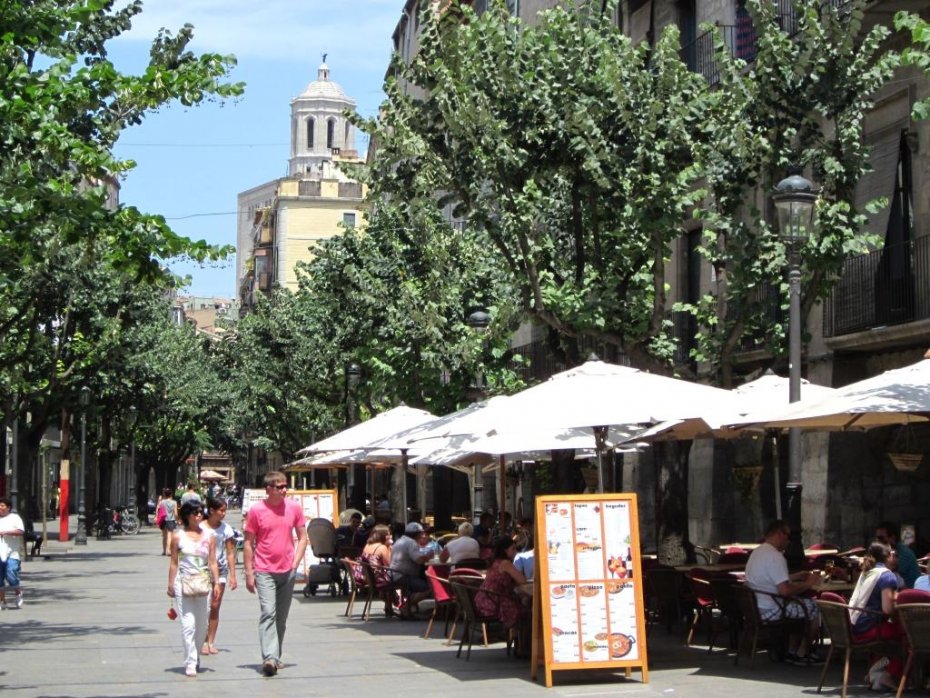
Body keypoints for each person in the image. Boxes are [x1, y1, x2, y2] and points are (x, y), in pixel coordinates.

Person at [243, 471, 307, 677]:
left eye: (285, 486)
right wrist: (249, 573)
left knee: (281, 617)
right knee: (268, 613)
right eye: (280, 487)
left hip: (287, 569)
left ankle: (276, 656)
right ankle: (269, 658)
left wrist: (296, 563)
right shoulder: (256, 511)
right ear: (268, 489)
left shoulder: (294, 507)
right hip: (264, 570)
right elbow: (248, 543)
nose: (284, 490)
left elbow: (303, 537)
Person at [744, 519, 822, 665]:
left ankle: (792, 651)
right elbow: (785, 591)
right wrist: (808, 584)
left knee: (798, 604)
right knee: (814, 607)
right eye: (788, 535)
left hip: (757, 607)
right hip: (771, 609)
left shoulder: (757, 552)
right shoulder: (776, 557)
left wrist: (795, 576)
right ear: (780, 534)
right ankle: (802, 652)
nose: (789, 540)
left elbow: (768, 578)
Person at [167, 501, 221, 678]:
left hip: (204, 583)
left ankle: (196, 654)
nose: (199, 516)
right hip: (183, 582)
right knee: (187, 624)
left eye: (201, 513)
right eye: (195, 513)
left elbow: (212, 561)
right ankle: (190, 661)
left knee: (202, 625)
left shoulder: (210, 535)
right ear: (187, 515)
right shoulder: (177, 536)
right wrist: (170, 584)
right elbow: (174, 562)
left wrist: (217, 582)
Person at [848, 541, 904, 691]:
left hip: (853, 626)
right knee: (910, 634)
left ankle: (876, 672)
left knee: (896, 632)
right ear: (887, 556)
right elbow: (887, 609)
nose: (894, 555)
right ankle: (888, 673)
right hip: (869, 627)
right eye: (892, 553)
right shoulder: (887, 576)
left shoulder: (866, 572)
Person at [475, 536, 528, 652]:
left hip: (484, 599)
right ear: (505, 550)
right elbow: (522, 580)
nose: (516, 552)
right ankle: (523, 645)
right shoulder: (505, 564)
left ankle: (518, 641)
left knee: (522, 604)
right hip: (493, 602)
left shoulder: (495, 561)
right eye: (513, 549)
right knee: (526, 610)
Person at [200, 496, 238, 656]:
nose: (224, 514)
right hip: (202, 571)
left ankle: (210, 641)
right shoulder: (200, 527)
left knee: (215, 607)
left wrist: (233, 575)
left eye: (225, 510)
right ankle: (201, 641)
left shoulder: (226, 529)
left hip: (221, 571)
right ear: (212, 511)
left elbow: (230, 553)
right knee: (203, 608)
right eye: (221, 510)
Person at [389, 522, 432, 617]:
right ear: (416, 534)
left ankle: (409, 607)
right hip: (403, 576)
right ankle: (406, 606)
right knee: (430, 587)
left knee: (422, 582)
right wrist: (429, 555)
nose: (422, 535)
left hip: (394, 574)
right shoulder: (411, 543)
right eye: (421, 533)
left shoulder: (400, 540)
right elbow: (419, 560)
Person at [875, 521, 919, 588]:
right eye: (877, 538)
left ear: (892, 537)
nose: (877, 541)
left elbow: (887, 574)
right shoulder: (887, 552)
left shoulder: (904, 554)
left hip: (908, 592)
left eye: (881, 538)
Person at [0, 498, 25, 610]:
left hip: (12, 553)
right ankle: (2, 601)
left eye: (2, 505)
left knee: (11, 573)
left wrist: (6, 532)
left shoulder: (15, 518)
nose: (0, 508)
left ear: (8, 507)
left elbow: (20, 531)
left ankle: (18, 591)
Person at [158, 489, 178, 555]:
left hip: (163, 520)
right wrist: (177, 519)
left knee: (164, 536)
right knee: (169, 536)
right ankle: (168, 550)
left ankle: (164, 551)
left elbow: (159, 510)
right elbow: (175, 513)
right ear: (171, 495)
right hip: (171, 520)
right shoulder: (174, 502)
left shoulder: (162, 502)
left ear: (165, 494)